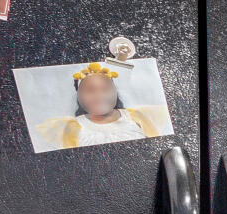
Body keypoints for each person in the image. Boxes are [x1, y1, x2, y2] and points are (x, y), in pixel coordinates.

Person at [35, 62, 169, 149]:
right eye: (90, 91)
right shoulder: (71, 127)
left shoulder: (139, 116)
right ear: (79, 96)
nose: (99, 96)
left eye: (105, 89)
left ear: (115, 92)